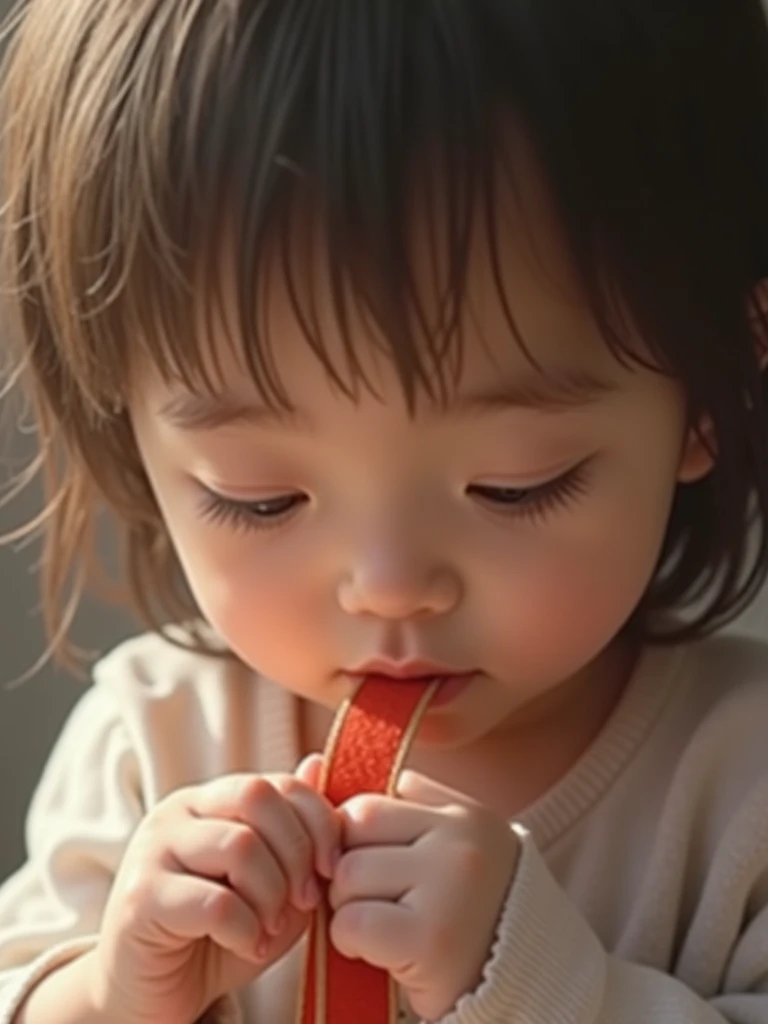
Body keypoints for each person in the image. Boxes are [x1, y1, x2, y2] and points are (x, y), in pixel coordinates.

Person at [1, 0, 768, 1021]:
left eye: (516, 482)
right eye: (258, 496)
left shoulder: (741, 786)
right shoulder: (154, 743)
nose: (391, 582)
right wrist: (107, 994)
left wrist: (549, 986)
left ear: (709, 395)